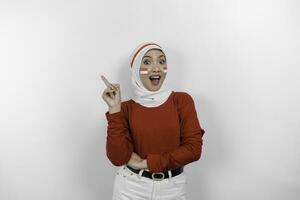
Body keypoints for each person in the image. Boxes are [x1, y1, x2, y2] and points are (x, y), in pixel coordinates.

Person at [101, 42, 205, 200]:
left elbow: (193, 149)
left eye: (161, 62)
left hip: (173, 189)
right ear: (136, 68)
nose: (156, 68)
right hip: (131, 188)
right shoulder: (125, 108)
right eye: (147, 62)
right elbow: (117, 157)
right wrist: (114, 110)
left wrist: (147, 163)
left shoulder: (181, 100)